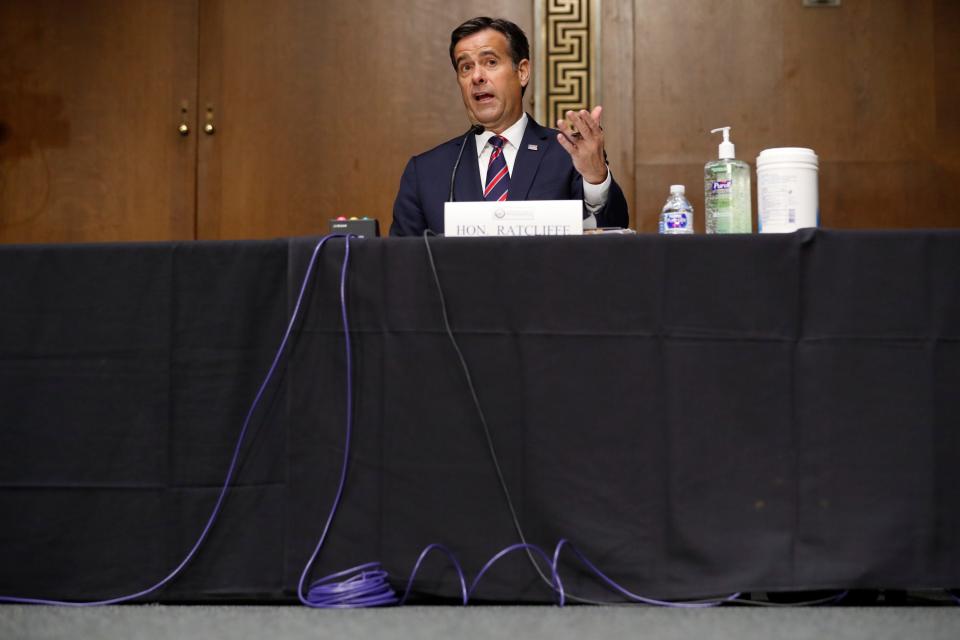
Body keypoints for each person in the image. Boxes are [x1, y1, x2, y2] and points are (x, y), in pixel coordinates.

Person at [389, 16, 629, 236]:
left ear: (522, 71)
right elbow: (401, 264)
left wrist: (596, 178)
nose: (476, 77)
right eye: (466, 67)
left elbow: (613, 232)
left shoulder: (568, 155)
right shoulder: (426, 172)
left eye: (490, 62)